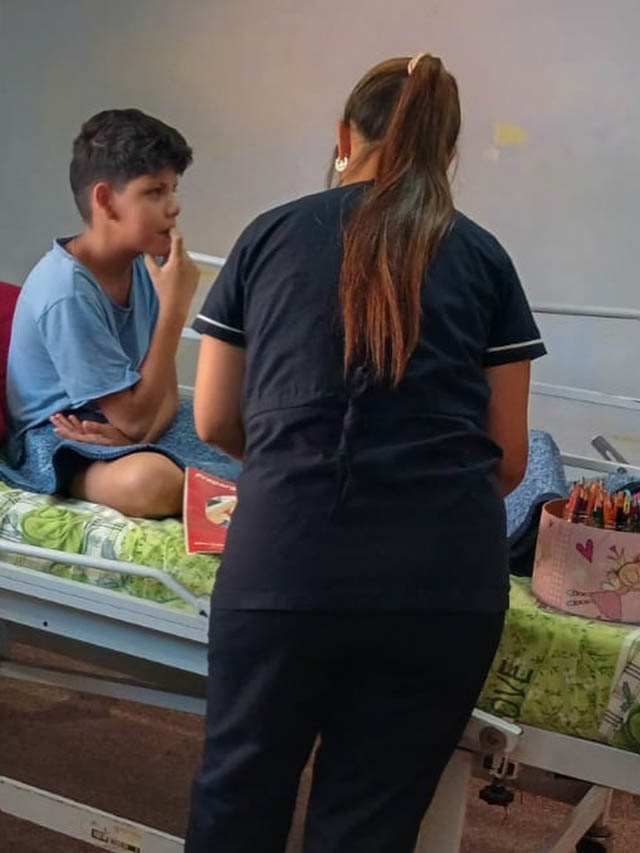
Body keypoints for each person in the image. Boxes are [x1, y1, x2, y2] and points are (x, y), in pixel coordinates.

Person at [185, 53, 546, 853]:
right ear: (447, 152)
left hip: (286, 563)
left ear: (344, 136)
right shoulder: (485, 258)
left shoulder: (270, 235)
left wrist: (288, 463)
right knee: (370, 824)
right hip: (441, 585)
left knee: (238, 799)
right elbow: (509, 459)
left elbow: (211, 417)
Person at [6, 109, 201, 517]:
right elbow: (135, 417)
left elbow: (162, 394)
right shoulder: (66, 290)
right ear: (106, 201)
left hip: (129, 422)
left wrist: (139, 436)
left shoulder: (146, 266)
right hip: (62, 437)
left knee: (249, 432)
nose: (174, 207)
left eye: (174, 189)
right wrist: (174, 310)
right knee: (152, 482)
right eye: (155, 192)